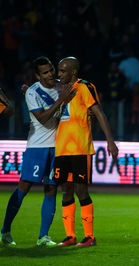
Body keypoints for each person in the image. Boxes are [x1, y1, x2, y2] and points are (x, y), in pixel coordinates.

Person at [1, 56, 73, 246]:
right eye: (45, 72)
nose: (50, 74)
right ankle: (5, 231)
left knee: (51, 189)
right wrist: (60, 102)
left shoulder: (61, 86)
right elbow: (42, 118)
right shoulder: (32, 92)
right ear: (37, 75)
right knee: (24, 187)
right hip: (37, 147)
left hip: (57, 147)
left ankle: (43, 236)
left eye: (51, 70)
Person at [55, 57, 118, 247]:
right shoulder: (60, 91)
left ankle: (90, 237)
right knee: (66, 190)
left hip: (80, 148)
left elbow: (99, 113)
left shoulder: (84, 86)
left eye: (63, 71)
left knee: (81, 190)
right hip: (62, 148)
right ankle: (70, 236)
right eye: (58, 70)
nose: (59, 74)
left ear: (73, 72)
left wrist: (110, 141)